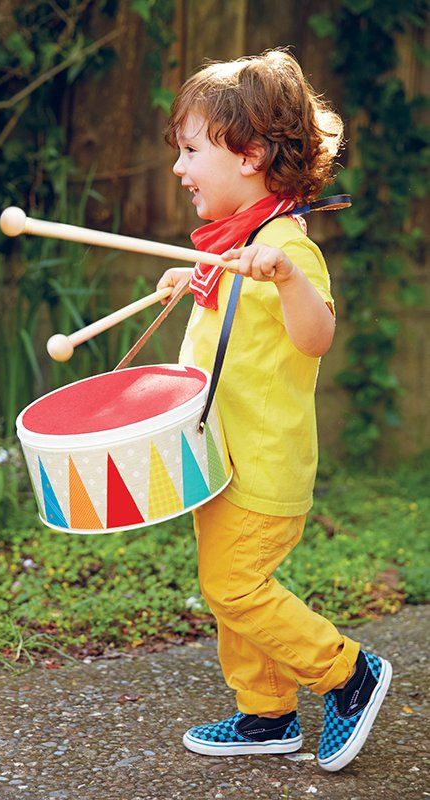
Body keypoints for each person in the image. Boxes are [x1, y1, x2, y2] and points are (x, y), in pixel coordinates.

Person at [156, 50, 391, 772]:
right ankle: (266, 714)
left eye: (192, 150)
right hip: (222, 458)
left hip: (264, 462)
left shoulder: (284, 246)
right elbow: (227, 324)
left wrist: (287, 277)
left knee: (234, 584)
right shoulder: (238, 244)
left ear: (251, 154)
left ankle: (347, 673)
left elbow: (314, 334)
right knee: (227, 584)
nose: (179, 167)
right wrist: (187, 280)